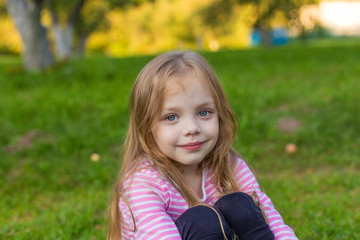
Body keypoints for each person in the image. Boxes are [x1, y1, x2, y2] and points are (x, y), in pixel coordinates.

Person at [108, 51, 298, 240]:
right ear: (147, 126)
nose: (192, 128)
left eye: (204, 112)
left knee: (239, 205)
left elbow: (271, 223)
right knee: (202, 221)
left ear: (219, 113)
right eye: (171, 117)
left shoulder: (229, 165)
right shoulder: (144, 184)